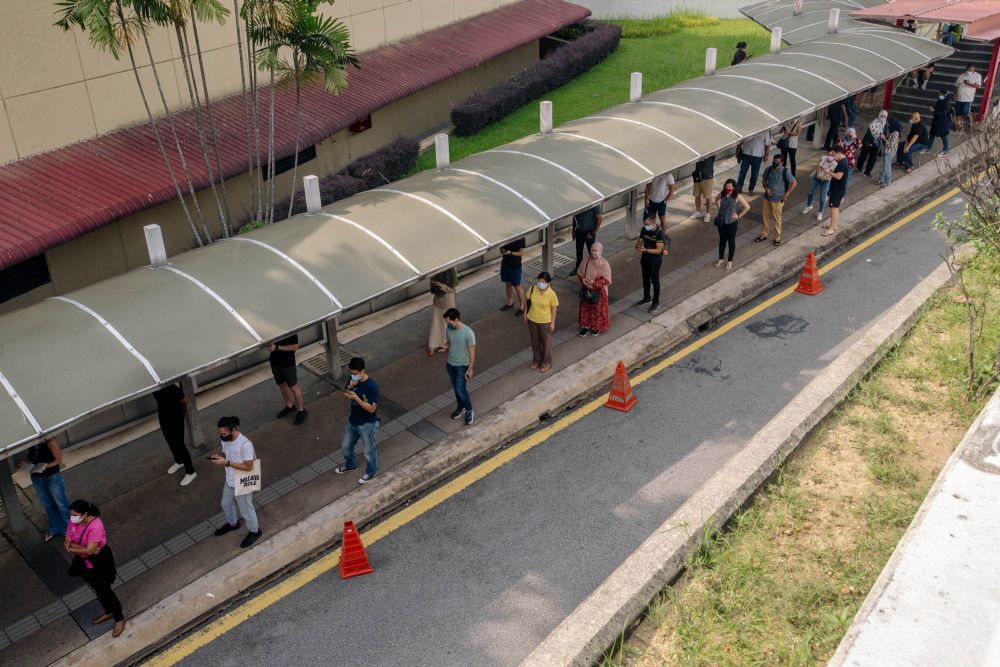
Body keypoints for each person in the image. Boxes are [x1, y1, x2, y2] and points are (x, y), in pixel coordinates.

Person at [65, 500, 125, 637]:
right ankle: (108, 611)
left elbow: (91, 550)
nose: (72, 518)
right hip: (85, 560)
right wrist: (79, 549)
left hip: (100, 561)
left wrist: (73, 548)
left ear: (85, 514)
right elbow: (68, 540)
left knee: (105, 589)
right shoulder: (74, 521)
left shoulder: (96, 525)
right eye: (71, 515)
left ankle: (119, 618)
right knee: (96, 588)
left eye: (75, 515)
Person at [210, 416, 261, 547]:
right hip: (230, 479)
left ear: (233, 430)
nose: (221, 436)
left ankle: (255, 531)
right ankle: (233, 523)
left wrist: (227, 462)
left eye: (223, 434)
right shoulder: (225, 440)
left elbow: (249, 467)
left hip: (242, 481)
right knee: (225, 503)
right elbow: (228, 456)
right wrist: (220, 458)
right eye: (219, 433)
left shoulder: (245, 444)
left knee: (246, 511)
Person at [335, 357, 380, 483]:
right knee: (345, 446)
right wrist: (349, 387)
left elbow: (372, 409)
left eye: (355, 374)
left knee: (368, 450)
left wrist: (356, 398)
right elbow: (344, 395)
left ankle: (371, 471)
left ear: (362, 371)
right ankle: (350, 465)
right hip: (353, 421)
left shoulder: (372, 387)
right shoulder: (353, 380)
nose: (353, 376)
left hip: (367, 423)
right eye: (351, 373)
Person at [15, 437, 70, 541]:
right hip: (37, 477)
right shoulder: (32, 441)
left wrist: (43, 467)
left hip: (52, 477)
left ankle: (68, 530)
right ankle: (55, 529)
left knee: (61, 504)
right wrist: (23, 462)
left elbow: (58, 460)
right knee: (48, 504)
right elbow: (31, 457)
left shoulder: (50, 441)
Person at [153, 383, 196, 486]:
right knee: (170, 441)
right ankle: (179, 461)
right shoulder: (153, 388)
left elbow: (185, 400)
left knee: (179, 444)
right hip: (163, 417)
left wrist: (181, 412)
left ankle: (191, 472)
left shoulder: (171, 387)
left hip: (175, 417)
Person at [442, 308, 476, 426]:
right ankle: (460, 407)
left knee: (461, 390)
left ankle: (469, 410)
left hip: (462, 366)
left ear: (456, 319)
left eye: (449, 322)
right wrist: (445, 346)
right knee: (456, 389)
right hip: (450, 364)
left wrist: (470, 368)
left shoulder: (468, 333)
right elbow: (451, 342)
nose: (448, 324)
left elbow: (472, 352)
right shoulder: (449, 329)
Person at [754, 154, 796, 246]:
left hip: (778, 199)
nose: (775, 162)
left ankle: (777, 238)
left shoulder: (785, 172)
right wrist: (766, 189)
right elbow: (764, 181)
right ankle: (764, 234)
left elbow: (794, 183)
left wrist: (786, 194)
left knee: (777, 219)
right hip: (767, 198)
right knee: (765, 216)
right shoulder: (768, 170)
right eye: (774, 160)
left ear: (781, 163)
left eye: (777, 161)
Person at [524, 272, 559, 373]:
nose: (540, 284)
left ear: (548, 283)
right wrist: (525, 314)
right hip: (532, 320)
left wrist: (552, 323)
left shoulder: (551, 294)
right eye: (539, 281)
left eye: (543, 282)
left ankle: (546, 362)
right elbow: (528, 301)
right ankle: (536, 359)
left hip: (545, 322)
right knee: (535, 342)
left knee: (546, 343)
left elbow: (554, 309)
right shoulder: (532, 289)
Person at [713, 179, 750, 271]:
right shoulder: (722, 194)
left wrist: (739, 215)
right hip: (721, 222)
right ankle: (721, 259)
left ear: (733, 188)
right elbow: (716, 200)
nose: (727, 188)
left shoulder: (737, 196)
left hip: (731, 223)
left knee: (731, 242)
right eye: (726, 186)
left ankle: (730, 261)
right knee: (722, 241)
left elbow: (747, 207)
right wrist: (720, 209)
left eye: (729, 187)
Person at [576, 242, 612, 336]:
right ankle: (585, 327)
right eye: (592, 250)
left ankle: (596, 327)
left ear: (600, 251)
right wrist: (583, 280)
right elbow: (580, 272)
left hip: (599, 292)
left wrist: (594, 283)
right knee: (586, 309)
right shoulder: (586, 260)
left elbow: (607, 280)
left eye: (595, 250)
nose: (593, 252)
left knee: (597, 311)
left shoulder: (604, 264)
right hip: (586, 289)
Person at [269, 334, 305, 425]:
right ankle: (289, 406)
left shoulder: (290, 328)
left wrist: (277, 348)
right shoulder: (272, 327)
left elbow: (295, 346)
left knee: (293, 387)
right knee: (281, 385)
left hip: (288, 363)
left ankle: (301, 410)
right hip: (275, 362)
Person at [635, 209, 665, 313]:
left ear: (652, 221)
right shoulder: (644, 229)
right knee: (645, 278)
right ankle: (647, 297)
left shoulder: (659, 233)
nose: (645, 225)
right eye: (644, 223)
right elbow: (640, 240)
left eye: (647, 223)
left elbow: (659, 250)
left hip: (655, 260)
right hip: (645, 258)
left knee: (655, 281)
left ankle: (656, 303)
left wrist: (646, 250)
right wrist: (638, 245)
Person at [427, 268, 457, 356]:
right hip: (439, 301)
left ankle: (442, 343)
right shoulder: (437, 269)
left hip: (447, 302)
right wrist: (433, 283)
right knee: (436, 323)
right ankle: (434, 345)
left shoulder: (451, 270)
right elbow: (431, 282)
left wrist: (440, 285)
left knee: (447, 324)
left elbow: (452, 289)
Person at [802, 149, 838, 221]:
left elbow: (831, 174)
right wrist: (818, 175)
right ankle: (809, 205)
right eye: (829, 154)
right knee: (811, 192)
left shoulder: (835, 164)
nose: (830, 156)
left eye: (832, 155)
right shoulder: (823, 158)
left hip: (826, 180)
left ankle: (820, 212)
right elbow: (818, 166)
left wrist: (823, 177)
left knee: (822, 197)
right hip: (817, 177)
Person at [568, 205, 602, 277]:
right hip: (579, 231)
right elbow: (575, 216)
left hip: (589, 232)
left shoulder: (594, 203)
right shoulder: (577, 202)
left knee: (592, 252)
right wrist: (573, 229)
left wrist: (593, 233)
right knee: (579, 250)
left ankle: (594, 269)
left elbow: (599, 218)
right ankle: (578, 268)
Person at [822, 147, 849, 237]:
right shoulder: (844, 161)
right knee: (835, 208)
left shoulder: (842, 163)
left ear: (839, 153)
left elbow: (838, 176)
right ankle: (833, 225)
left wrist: (828, 172)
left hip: (837, 190)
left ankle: (831, 229)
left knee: (833, 209)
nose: (833, 157)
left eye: (834, 155)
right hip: (838, 189)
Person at [736, 129, 770, 194]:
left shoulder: (766, 130)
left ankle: (751, 189)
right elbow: (742, 139)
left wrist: (766, 154)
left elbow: (767, 144)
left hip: (757, 156)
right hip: (746, 154)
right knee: (742, 172)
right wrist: (738, 148)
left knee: (754, 174)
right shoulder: (749, 127)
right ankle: (739, 188)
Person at [499, 237, 526, 316]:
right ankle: (510, 302)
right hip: (505, 265)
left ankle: (522, 306)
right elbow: (501, 249)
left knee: (518, 286)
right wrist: (502, 251)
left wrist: (511, 253)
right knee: (508, 284)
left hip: (515, 266)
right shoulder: (506, 237)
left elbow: (521, 253)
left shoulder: (520, 238)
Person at [856, 111, 887, 178]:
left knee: (872, 158)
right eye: (882, 116)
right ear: (879, 115)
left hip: (877, 144)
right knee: (863, 155)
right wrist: (873, 139)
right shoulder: (873, 123)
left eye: (884, 117)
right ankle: (859, 167)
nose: (883, 118)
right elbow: (868, 132)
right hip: (868, 142)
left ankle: (867, 172)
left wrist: (882, 136)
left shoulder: (885, 124)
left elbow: (885, 133)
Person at [954, 64, 981, 132]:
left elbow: (978, 86)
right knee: (958, 112)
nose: (969, 69)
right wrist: (954, 94)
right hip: (959, 97)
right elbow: (956, 86)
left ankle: (971, 122)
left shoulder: (977, 75)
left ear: (974, 68)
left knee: (965, 112)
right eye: (968, 68)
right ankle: (959, 126)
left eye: (971, 68)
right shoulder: (962, 75)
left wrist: (968, 83)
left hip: (968, 98)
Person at [691, 156, 716, 223]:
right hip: (697, 175)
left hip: (707, 176)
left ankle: (708, 214)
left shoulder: (711, 151)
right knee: (697, 195)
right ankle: (698, 212)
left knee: (708, 196)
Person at [878, 116, 901, 188]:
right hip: (886, 150)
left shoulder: (896, 133)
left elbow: (890, 144)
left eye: (889, 123)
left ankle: (887, 181)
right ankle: (881, 179)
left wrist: (884, 138)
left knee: (887, 167)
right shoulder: (893, 131)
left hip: (889, 152)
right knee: (883, 165)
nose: (887, 124)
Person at [929, 90, 952, 155]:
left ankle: (946, 149)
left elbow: (943, 114)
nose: (940, 95)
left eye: (941, 94)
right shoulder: (940, 101)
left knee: (943, 135)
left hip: (943, 122)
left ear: (945, 95)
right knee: (932, 134)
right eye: (939, 94)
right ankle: (928, 147)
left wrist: (933, 112)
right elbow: (936, 107)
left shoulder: (947, 103)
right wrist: (932, 107)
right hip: (937, 120)